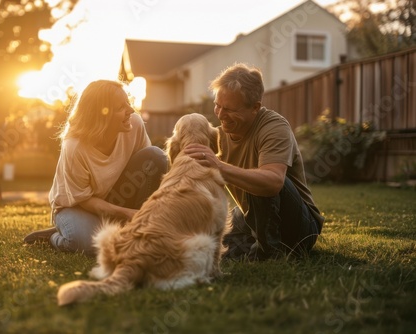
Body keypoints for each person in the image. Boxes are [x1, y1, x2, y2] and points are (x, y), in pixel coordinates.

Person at [185, 63, 324, 261]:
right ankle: (256, 245)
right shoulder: (221, 134)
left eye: (229, 109)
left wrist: (218, 166)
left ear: (255, 108)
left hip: (299, 228)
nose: (220, 114)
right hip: (251, 219)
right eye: (217, 105)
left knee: (263, 180)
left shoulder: (274, 127)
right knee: (206, 251)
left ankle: (269, 255)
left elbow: (273, 182)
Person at [23, 80, 167, 254]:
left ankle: (133, 227)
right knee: (86, 244)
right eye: (121, 107)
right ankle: (54, 237)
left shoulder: (134, 124)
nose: (131, 110)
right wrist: (126, 213)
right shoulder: (75, 146)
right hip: (77, 206)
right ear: (102, 115)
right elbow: (84, 200)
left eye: (128, 102)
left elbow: (148, 169)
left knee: (155, 156)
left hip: (116, 197)